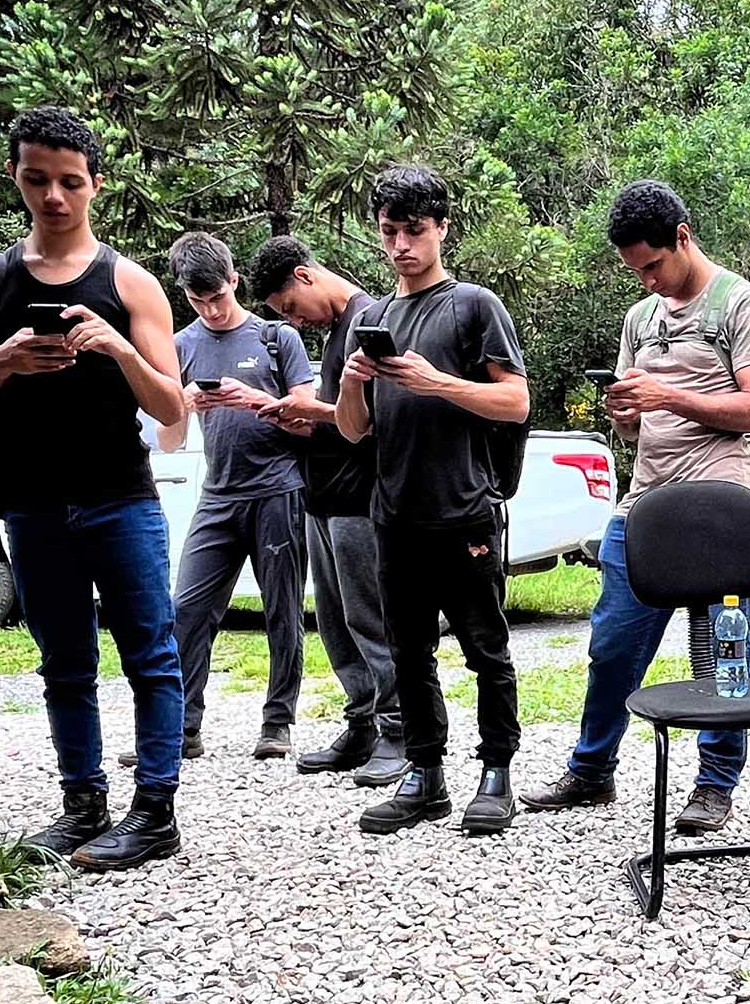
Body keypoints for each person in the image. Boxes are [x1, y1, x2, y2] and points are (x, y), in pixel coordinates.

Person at [0, 106, 189, 870]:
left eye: (70, 182)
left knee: (151, 656)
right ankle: (82, 805)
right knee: (64, 664)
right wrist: (4, 360)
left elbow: (172, 408)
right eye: (37, 179)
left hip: (120, 496)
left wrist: (119, 349)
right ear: (15, 177)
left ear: (95, 186)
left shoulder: (129, 282)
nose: (53, 196)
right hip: (32, 503)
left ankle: (155, 813)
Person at [525, 182, 750, 838]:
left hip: (723, 504)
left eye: (653, 265)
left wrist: (666, 395)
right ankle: (592, 770)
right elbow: (638, 427)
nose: (648, 280)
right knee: (612, 645)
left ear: (683, 237)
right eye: (635, 271)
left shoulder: (741, 305)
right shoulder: (640, 320)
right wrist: (626, 413)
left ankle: (714, 785)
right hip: (645, 501)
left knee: (723, 651)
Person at [334, 164, 529, 836]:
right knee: (408, 653)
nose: (400, 246)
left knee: (486, 651)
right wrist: (353, 383)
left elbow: (515, 401)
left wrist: (437, 381)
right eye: (389, 231)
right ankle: (424, 775)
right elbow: (353, 430)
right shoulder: (373, 317)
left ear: (442, 228)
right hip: (394, 517)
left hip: (465, 512)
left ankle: (497, 771)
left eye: (414, 231)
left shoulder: (474, 305)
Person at [247, 235, 408, 788]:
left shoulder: (370, 320)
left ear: (305, 275)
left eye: (291, 307)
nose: (295, 320)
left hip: (361, 501)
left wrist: (309, 409)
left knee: (371, 620)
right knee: (337, 625)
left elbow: (378, 418)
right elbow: (337, 419)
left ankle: (399, 729)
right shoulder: (338, 329)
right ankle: (362, 722)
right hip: (323, 498)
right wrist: (300, 417)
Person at [152, 232, 312, 761]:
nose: (211, 309)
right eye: (198, 301)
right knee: (187, 609)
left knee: (282, 609)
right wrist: (182, 405)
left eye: (218, 297)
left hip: (278, 490)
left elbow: (310, 421)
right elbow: (168, 440)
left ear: (234, 281)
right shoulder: (180, 346)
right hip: (218, 495)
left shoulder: (277, 337)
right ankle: (183, 727)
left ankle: (277, 722)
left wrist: (257, 401)